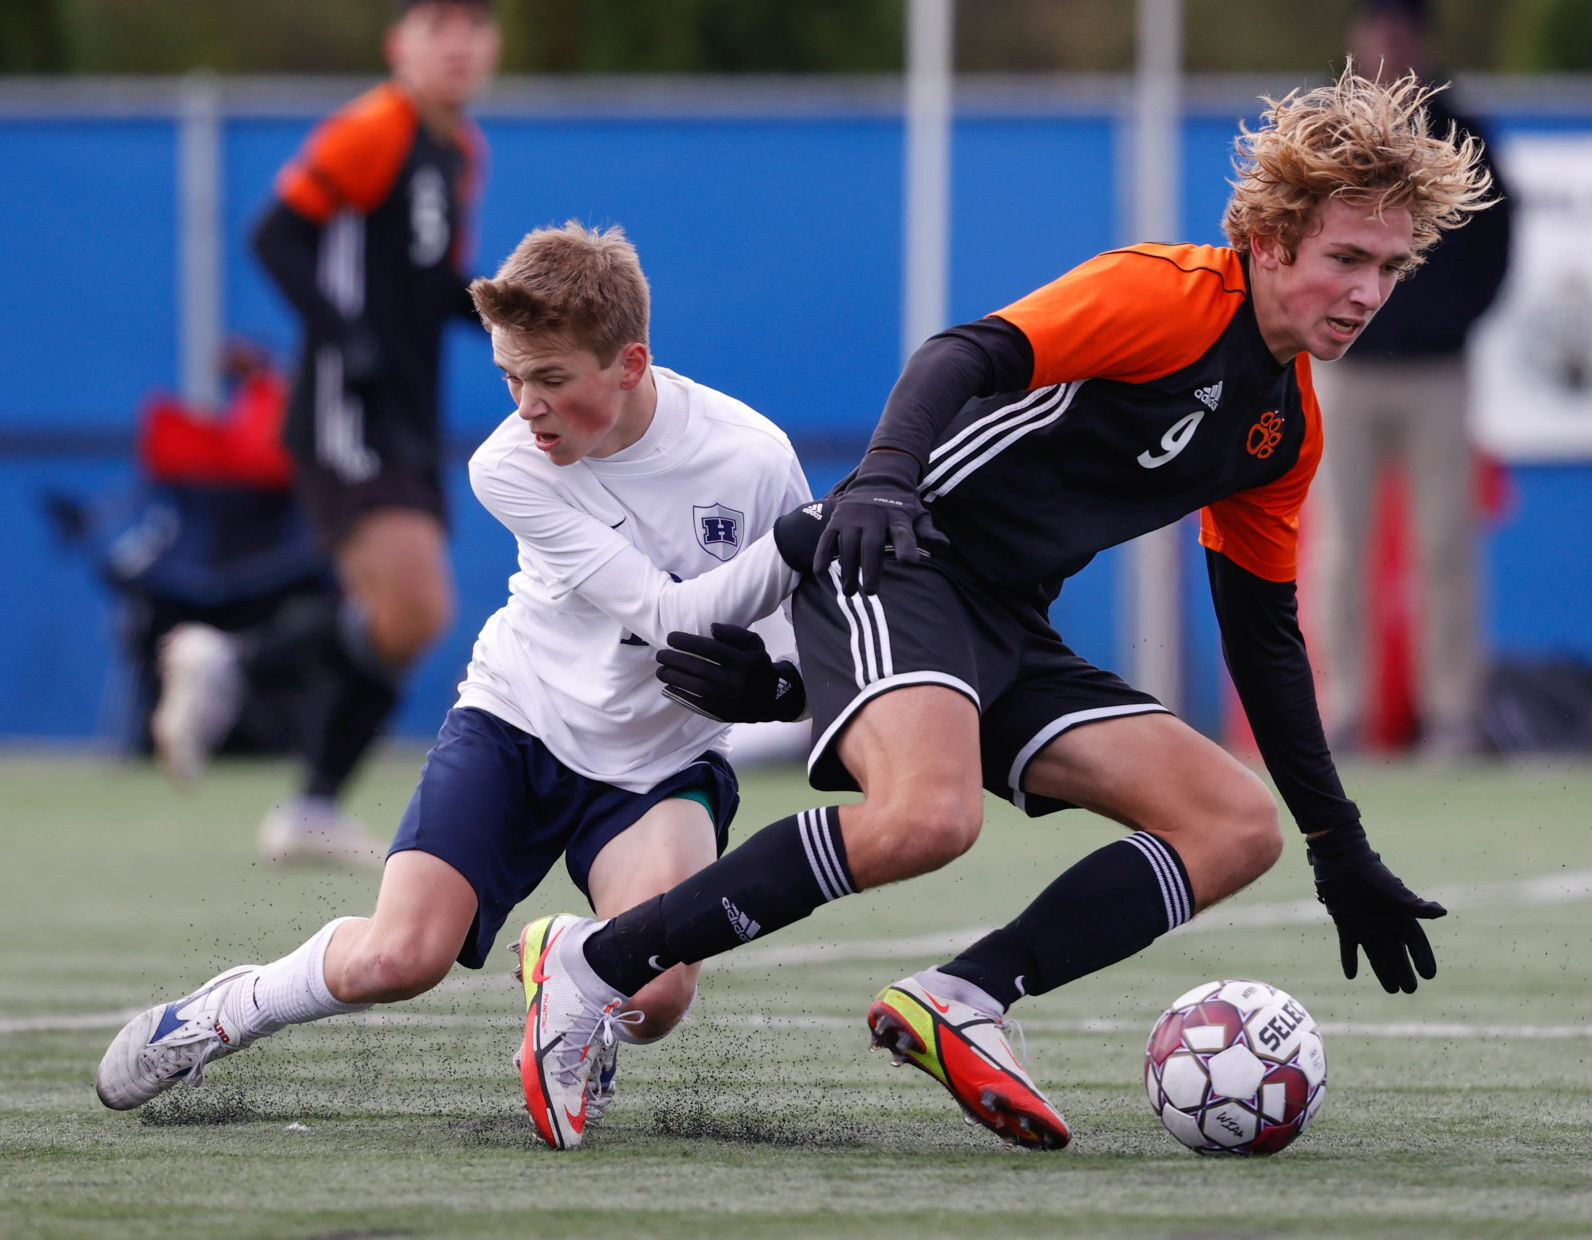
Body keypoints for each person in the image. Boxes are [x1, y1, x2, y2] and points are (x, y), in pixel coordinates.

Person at [513, 63, 1495, 1153]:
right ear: (1271, 241)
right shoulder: (1172, 293)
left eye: (1390, 268)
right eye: (1345, 259)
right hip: (900, 555)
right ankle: (596, 966)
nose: (1365, 292)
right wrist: (883, 479)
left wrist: (1337, 841)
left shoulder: (1285, 427)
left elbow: (1262, 632)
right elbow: (963, 353)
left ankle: (968, 994)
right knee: (929, 819)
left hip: (1005, 622)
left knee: (1236, 825)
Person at [97, 222, 815, 1152]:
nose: (526, 407)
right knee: (399, 958)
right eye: (510, 377)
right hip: (516, 725)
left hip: (657, 763)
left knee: (658, 998)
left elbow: (806, 631)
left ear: (631, 361)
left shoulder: (750, 457)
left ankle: (579, 990)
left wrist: (783, 682)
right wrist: (810, 533)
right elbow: (664, 615)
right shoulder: (508, 465)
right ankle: (222, 1010)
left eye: (551, 379)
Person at [150, 0, 501, 865]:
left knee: (405, 621)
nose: (456, 43)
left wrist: (505, 311)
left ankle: (304, 793)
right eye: (435, 24)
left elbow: (424, 282)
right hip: (350, 406)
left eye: (473, 25)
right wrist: (346, 339)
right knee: (418, 606)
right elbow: (273, 234)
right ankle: (229, 666)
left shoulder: (460, 150)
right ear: (399, 45)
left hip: (409, 411)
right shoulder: (373, 126)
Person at [1311, 0, 1514, 757]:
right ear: (1357, 39)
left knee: (1445, 548)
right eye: (1376, 28)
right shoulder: (1324, 130)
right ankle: (1345, 712)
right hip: (1347, 372)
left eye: (1401, 30)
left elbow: (1496, 240)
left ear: (1419, 42)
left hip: (1436, 373)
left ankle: (1452, 717)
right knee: (1338, 550)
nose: (1388, 44)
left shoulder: (1462, 133)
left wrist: (1450, 321)